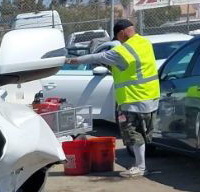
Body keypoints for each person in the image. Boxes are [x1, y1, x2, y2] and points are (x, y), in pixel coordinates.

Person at [66, 19, 159, 177]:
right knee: (144, 134)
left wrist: (73, 60)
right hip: (151, 97)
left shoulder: (123, 51)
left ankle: (141, 167)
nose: (119, 41)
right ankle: (141, 165)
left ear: (122, 33)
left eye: (118, 38)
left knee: (132, 133)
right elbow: (133, 67)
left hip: (132, 99)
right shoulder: (146, 43)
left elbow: (97, 57)